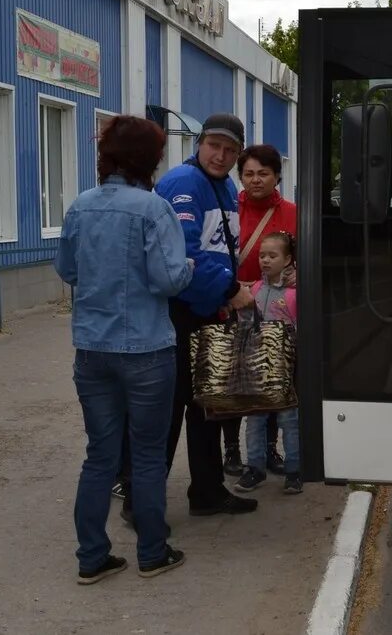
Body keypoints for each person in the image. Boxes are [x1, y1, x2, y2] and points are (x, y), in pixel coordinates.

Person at [55, 115, 191, 583]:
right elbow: (168, 279)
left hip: (92, 350)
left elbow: (68, 270)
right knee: (149, 454)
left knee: (100, 455)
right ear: (149, 159)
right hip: (148, 350)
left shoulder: (80, 207)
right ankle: (152, 552)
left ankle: (91, 557)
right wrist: (189, 264)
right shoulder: (154, 210)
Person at [152, 112, 259, 516]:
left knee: (207, 405)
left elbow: (221, 249)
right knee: (172, 407)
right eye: (215, 146)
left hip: (208, 311)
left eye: (230, 150)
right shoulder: (183, 183)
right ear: (199, 143)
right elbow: (184, 256)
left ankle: (208, 491)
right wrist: (231, 290)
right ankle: (142, 498)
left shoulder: (225, 187)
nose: (221, 155)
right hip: (179, 313)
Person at [233, 144, 298, 477]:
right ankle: (233, 452)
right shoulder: (230, 208)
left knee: (271, 384)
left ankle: (269, 451)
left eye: (263, 173)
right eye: (248, 173)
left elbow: (305, 255)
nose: (255, 180)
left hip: (276, 308)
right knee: (233, 383)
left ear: (276, 176)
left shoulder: (292, 212)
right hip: (231, 304)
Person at [234, 232, 302, 494]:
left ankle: (294, 470)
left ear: (287, 260)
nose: (265, 260)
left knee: (289, 419)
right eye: (262, 255)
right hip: (257, 366)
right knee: (254, 420)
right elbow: (245, 322)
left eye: (272, 256)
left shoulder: (295, 294)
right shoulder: (256, 289)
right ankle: (255, 468)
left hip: (284, 367)